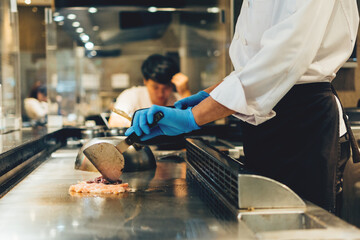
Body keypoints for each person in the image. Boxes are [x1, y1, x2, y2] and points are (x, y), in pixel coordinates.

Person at [126, 0, 360, 214]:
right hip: (264, 123)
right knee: (264, 219)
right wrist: (206, 96)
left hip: (303, 123)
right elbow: (253, 67)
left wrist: (192, 118)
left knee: (300, 224)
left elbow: (283, 60)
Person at [108, 54, 191, 128]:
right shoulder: (131, 95)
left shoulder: (179, 99)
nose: (160, 94)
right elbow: (114, 123)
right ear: (145, 81)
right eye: (155, 87)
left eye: (166, 88)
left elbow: (192, 124)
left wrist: (185, 92)